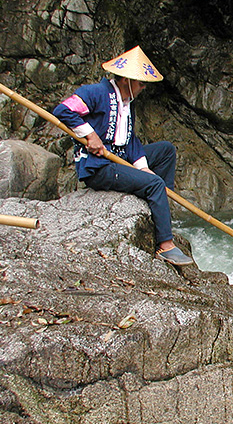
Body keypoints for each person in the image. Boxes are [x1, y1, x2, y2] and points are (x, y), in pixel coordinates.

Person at [53, 46, 193, 265]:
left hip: (119, 159)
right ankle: (165, 246)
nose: (143, 88)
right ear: (126, 79)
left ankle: (160, 206)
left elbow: (130, 140)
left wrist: (143, 167)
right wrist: (90, 135)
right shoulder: (95, 92)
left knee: (166, 150)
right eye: (141, 83)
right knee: (155, 184)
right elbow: (62, 111)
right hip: (100, 167)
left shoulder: (128, 104)